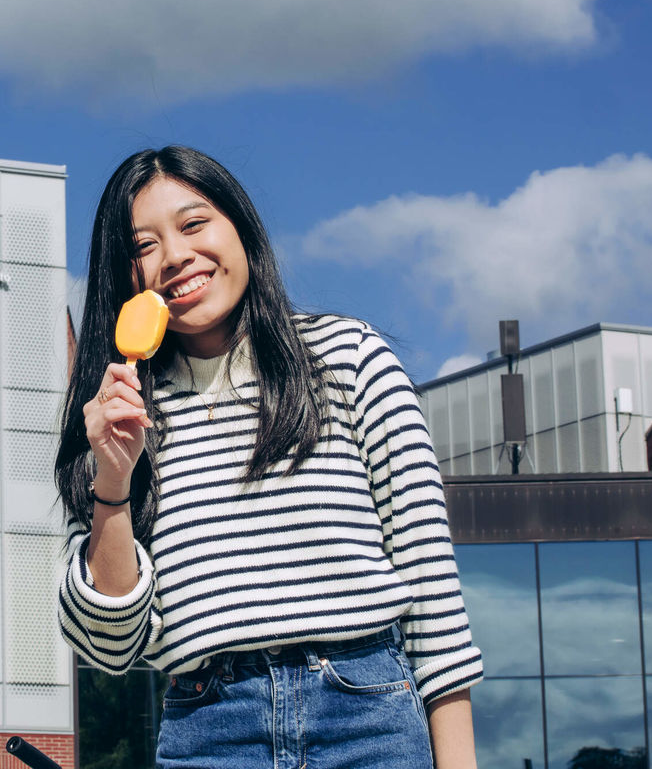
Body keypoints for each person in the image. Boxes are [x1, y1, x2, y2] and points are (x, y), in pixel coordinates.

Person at [56, 147, 482, 769]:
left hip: (368, 717)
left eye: (194, 224)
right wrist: (114, 480)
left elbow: (433, 594)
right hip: (208, 729)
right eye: (142, 246)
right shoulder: (110, 419)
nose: (175, 257)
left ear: (241, 229)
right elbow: (112, 647)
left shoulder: (351, 360)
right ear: (123, 279)